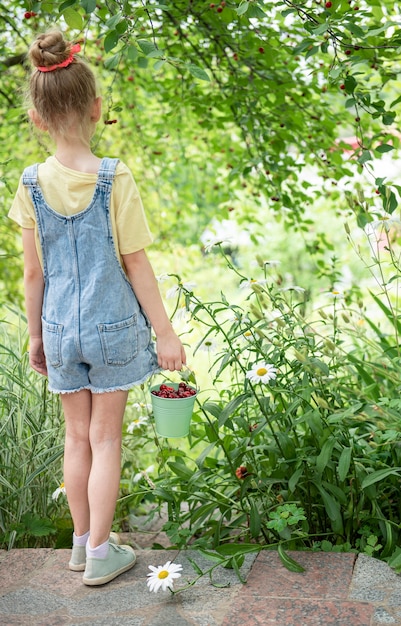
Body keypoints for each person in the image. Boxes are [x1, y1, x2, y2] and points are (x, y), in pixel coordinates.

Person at [8, 29, 186, 586]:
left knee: (75, 438)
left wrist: (36, 336)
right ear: (97, 108)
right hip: (112, 329)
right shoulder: (115, 177)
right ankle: (104, 552)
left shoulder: (30, 183)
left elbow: (31, 272)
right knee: (107, 439)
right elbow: (137, 265)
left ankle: (81, 546)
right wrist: (166, 333)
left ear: (36, 117)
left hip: (59, 330)